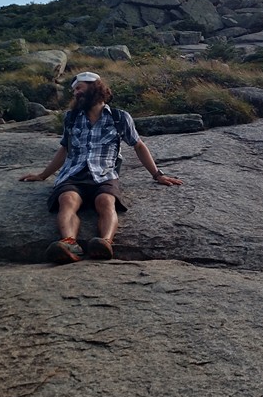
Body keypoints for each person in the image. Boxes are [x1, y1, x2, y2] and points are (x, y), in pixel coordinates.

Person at [20, 71, 183, 264]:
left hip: (104, 174)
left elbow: (138, 145)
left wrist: (157, 175)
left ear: (94, 88)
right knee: (67, 200)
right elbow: (64, 148)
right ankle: (68, 243)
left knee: (106, 201)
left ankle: (105, 243)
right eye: (74, 90)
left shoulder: (119, 117)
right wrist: (43, 175)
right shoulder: (71, 117)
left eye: (79, 88)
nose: (75, 93)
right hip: (73, 174)